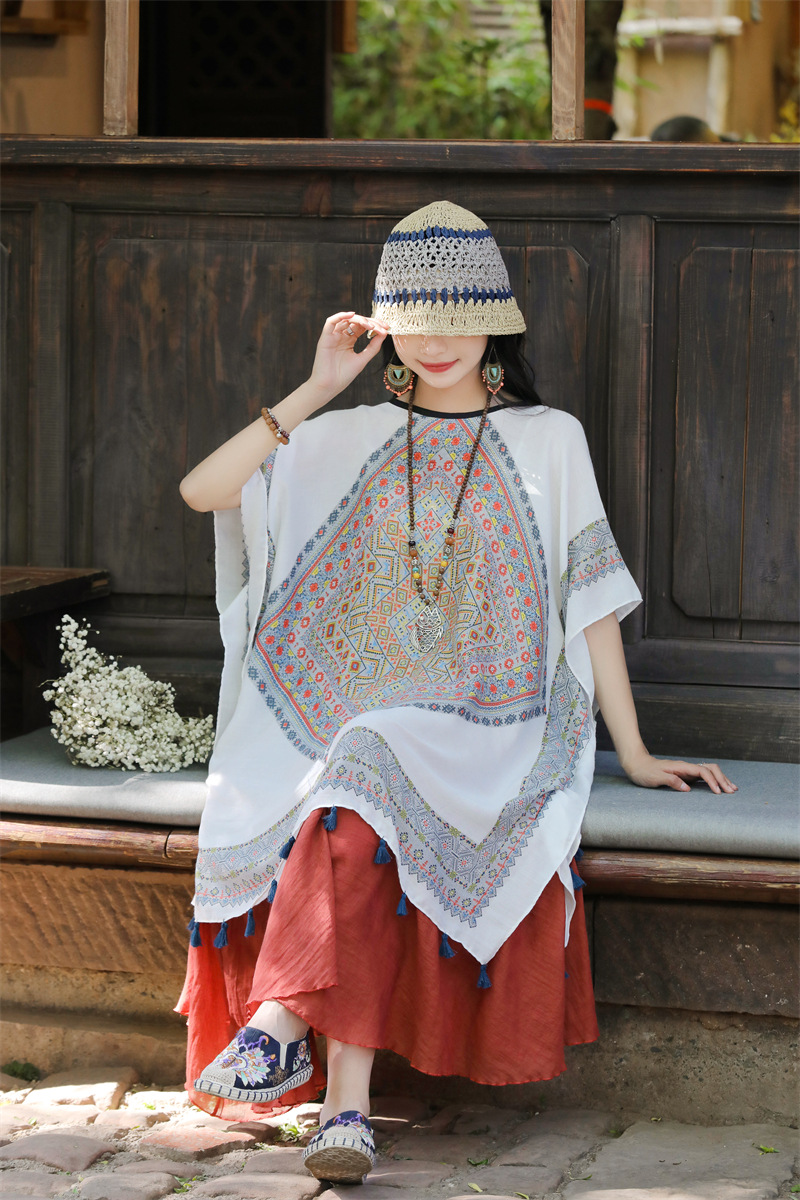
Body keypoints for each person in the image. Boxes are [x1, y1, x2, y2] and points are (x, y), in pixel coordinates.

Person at [177, 200, 736, 1184]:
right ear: (386, 328)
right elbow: (205, 491)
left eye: (457, 319)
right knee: (351, 798)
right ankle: (345, 1113)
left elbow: (589, 603)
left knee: (360, 763)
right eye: (414, 322)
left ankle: (280, 1023)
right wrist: (317, 387)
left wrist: (635, 752)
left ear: (496, 325)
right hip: (360, 724)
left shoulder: (548, 438)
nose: (436, 343)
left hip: (496, 722)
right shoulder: (348, 434)